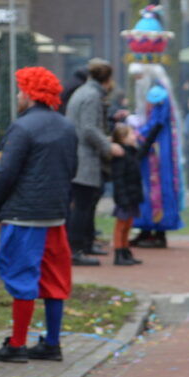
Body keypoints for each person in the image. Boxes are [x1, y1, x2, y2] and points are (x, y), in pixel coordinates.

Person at [0, 67, 78, 364]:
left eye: (20, 90)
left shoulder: (22, 127)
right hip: (55, 216)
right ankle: (52, 343)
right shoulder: (66, 126)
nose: (18, 96)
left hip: (23, 216)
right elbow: (72, 169)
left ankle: (17, 344)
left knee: (21, 278)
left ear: (29, 93)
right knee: (54, 280)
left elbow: (7, 173)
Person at [65, 59, 123, 265]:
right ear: (107, 78)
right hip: (85, 157)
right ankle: (75, 249)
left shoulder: (83, 91)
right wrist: (108, 146)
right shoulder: (92, 96)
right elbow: (89, 128)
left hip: (78, 154)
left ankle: (85, 243)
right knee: (82, 205)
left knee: (86, 203)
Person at [131, 74, 184, 248]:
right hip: (155, 148)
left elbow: (156, 124)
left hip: (157, 150)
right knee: (149, 188)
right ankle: (146, 229)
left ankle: (158, 231)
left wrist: (139, 135)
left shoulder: (158, 94)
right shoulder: (158, 93)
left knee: (157, 188)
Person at [110, 122, 159, 266]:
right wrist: (122, 198)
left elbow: (145, 147)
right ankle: (118, 253)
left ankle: (125, 251)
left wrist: (155, 130)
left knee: (128, 224)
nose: (134, 136)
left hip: (133, 196)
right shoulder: (120, 156)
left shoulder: (132, 153)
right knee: (121, 225)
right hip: (125, 197)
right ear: (123, 139)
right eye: (131, 134)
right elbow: (118, 179)